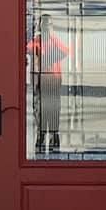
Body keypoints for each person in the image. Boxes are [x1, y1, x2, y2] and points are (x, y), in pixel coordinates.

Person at [28, 13, 71, 154]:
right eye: (44, 25)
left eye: (47, 25)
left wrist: (48, 58)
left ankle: (51, 135)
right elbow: (28, 50)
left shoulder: (51, 40)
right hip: (44, 79)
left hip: (50, 78)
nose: (46, 27)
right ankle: (45, 135)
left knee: (49, 108)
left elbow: (65, 51)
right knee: (42, 108)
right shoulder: (38, 40)